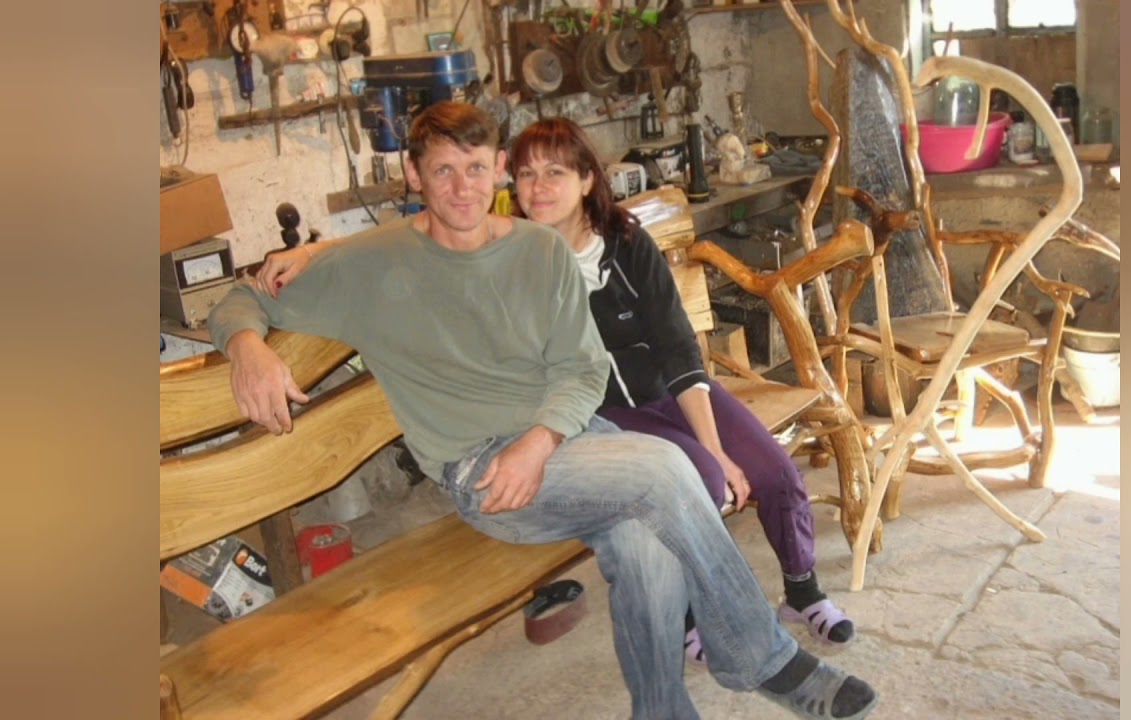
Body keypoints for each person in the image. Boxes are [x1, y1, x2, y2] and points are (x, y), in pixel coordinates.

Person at [213, 101, 878, 720]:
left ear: (498, 168)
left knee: (645, 543)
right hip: (486, 473)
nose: (462, 188)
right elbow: (240, 300)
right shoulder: (371, 264)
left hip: (572, 443)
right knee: (666, 469)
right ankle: (763, 658)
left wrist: (541, 440)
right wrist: (247, 347)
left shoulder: (540, 251)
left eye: (477, 168)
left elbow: (583, 369)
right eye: (442, 171)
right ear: (413, 175)